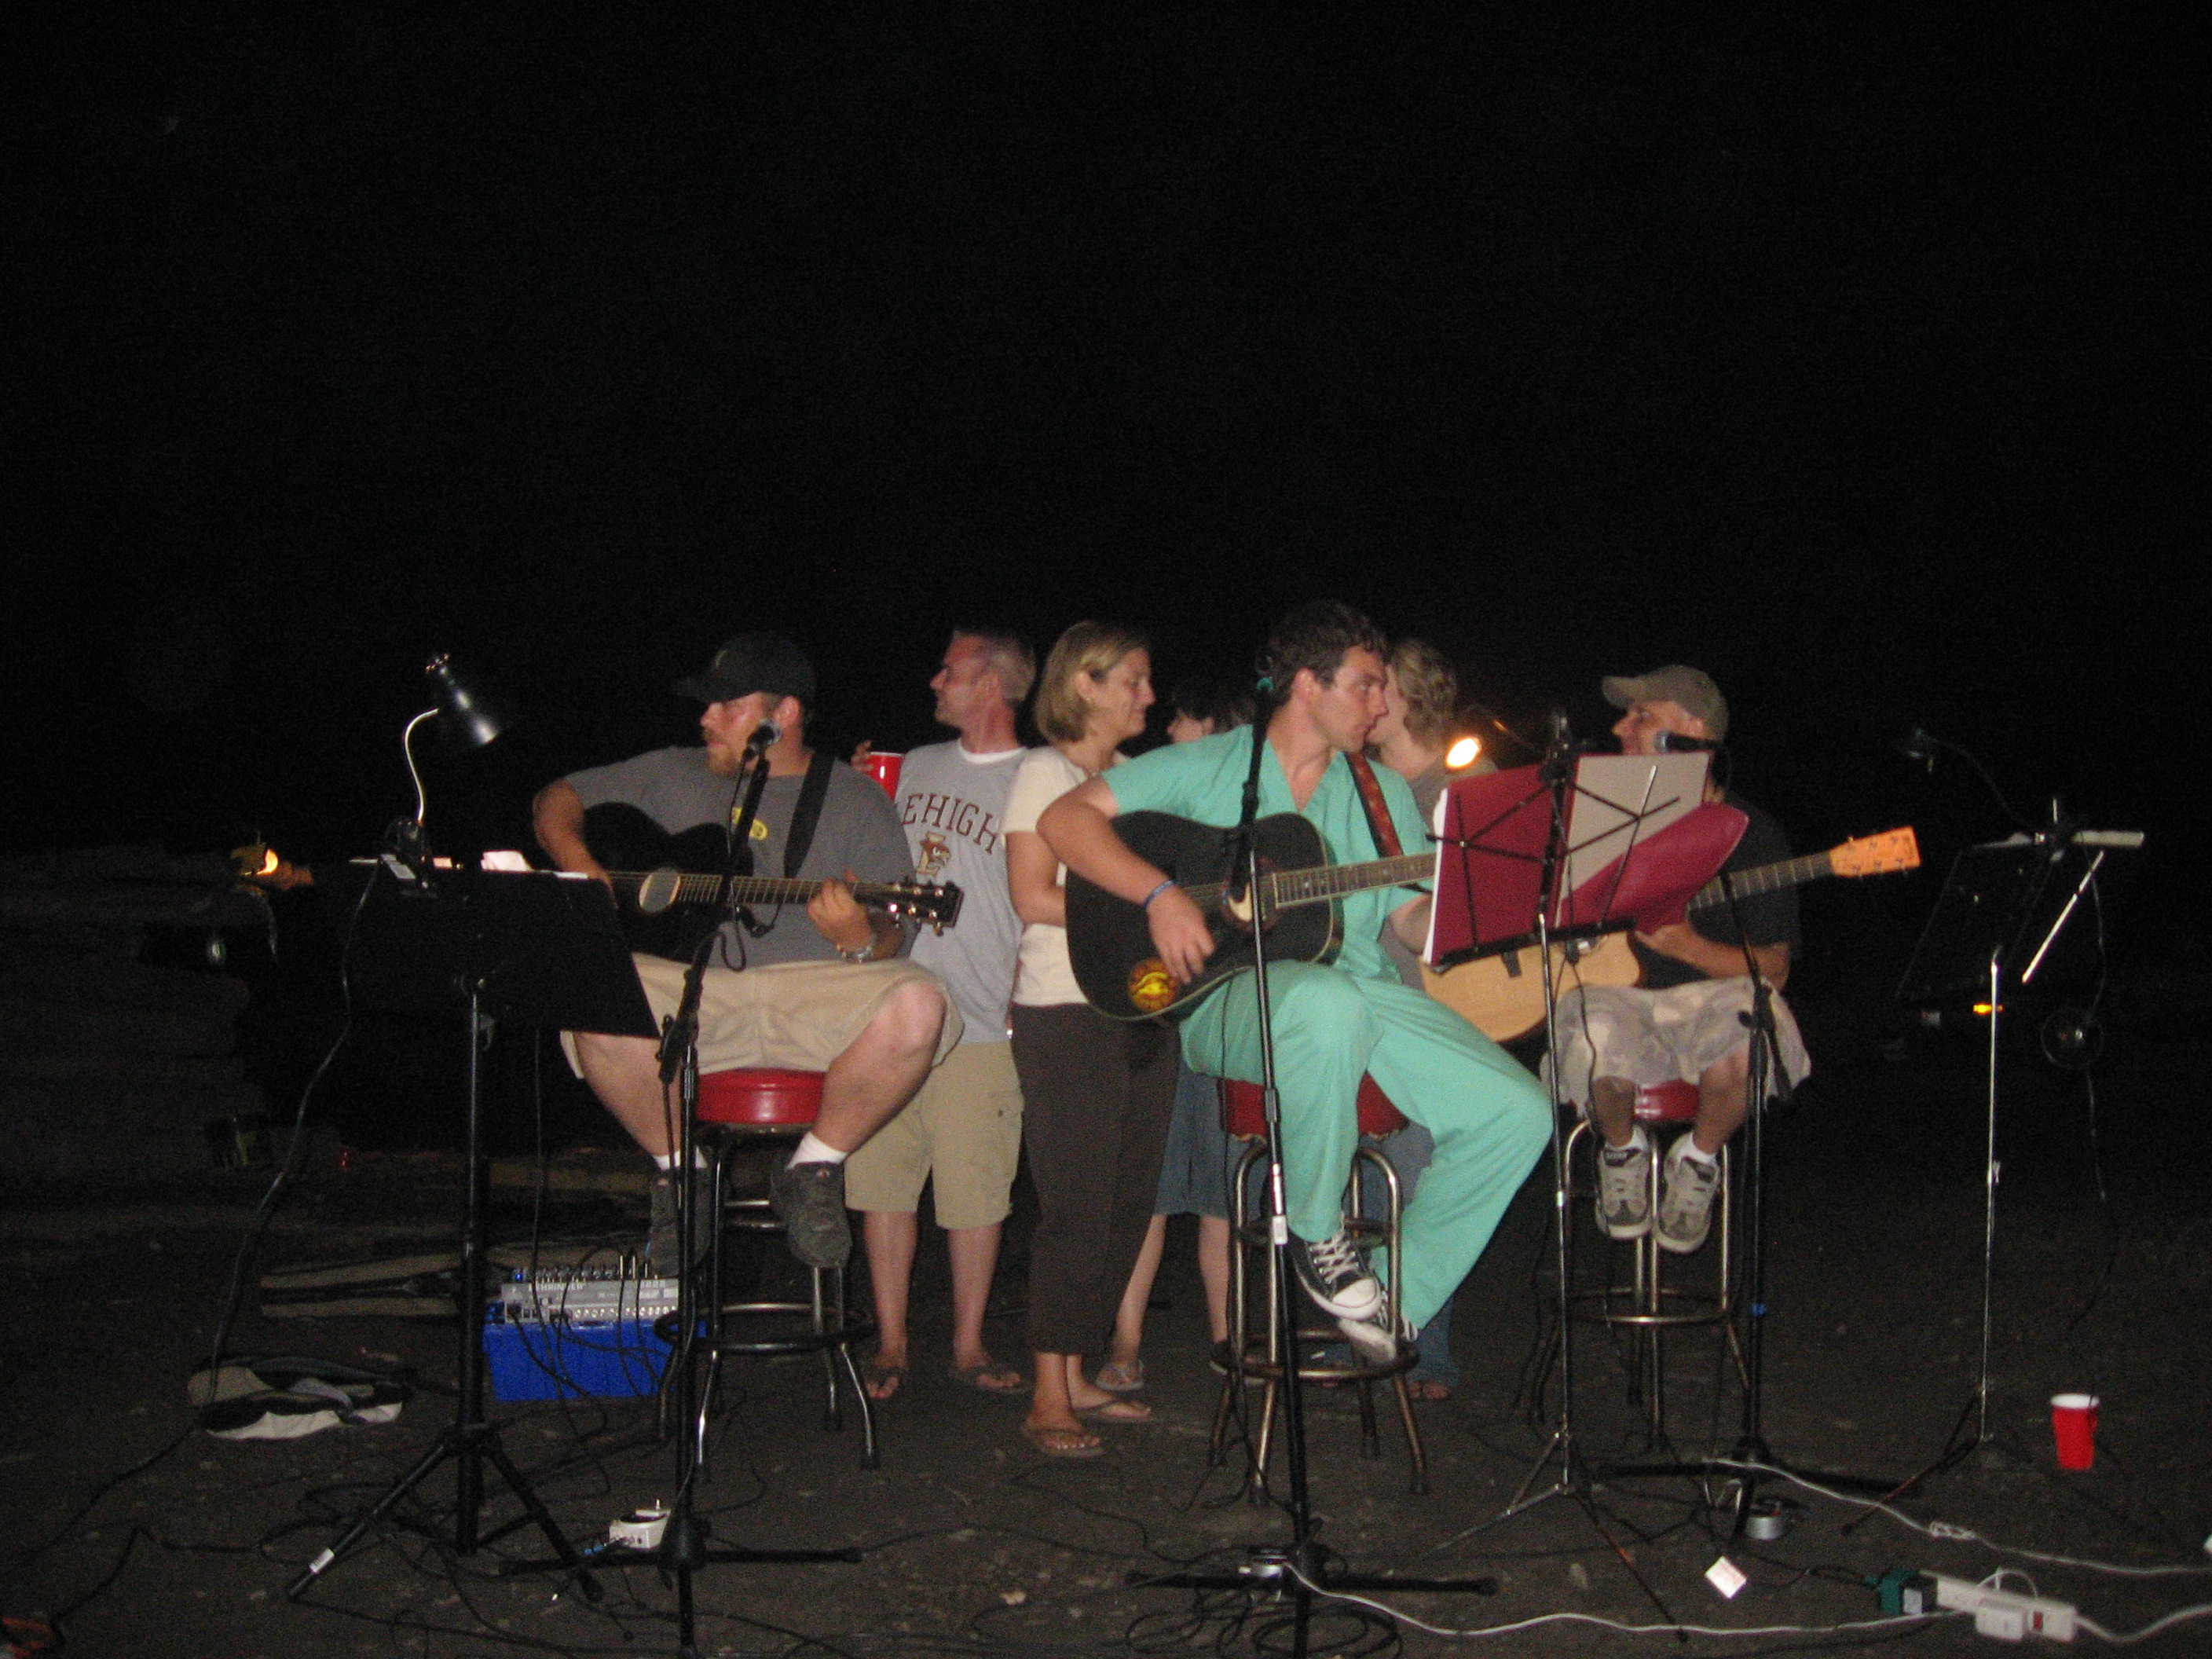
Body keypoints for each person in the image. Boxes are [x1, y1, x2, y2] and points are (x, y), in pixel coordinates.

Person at [1038, 602, 1552, 1364]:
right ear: (1308, 685)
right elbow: (1065, 820)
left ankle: (1396, 1300)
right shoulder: (1214, 765)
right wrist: (1159, 895)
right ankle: (1317, 1233)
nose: (1379, 704)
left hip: (1360, 992)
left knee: (1518, 1111)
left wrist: (1474, 904)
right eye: (1365, 685)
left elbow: (1409, 920)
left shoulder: (1379, 790)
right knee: (1325, 1005)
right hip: (1228, 998)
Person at [533, 632, 958, 1272]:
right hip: (695, 990)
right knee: (591, 987)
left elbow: (898, 933)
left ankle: (813, 1168)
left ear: (783, 714)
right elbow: (554, 800)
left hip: (813, 995)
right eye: (707, 705)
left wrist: (861, 938)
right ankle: (683, 1173)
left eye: (727, 705)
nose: (706, 718)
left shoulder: (854, 796)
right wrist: (583, 867)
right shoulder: (672, 770)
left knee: (920, 1003)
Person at [1548, 665, 1810, 1254]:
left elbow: (1775, 969)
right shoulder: (1594, 821)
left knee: (1750, 1036)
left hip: (1714, 997)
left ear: (1691, 733)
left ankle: (1698, 1159)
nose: (1620, 727)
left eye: (1641, 715)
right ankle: (1622, 1150)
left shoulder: (1752, 832)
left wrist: (1688, 946)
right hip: (1617, 994)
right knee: (1590, 1031)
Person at [845, 629, 1034, 1401]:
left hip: (982, 1018)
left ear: (988, 684)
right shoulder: (912, 767)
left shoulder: (1038, 777)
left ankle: (968, 1345)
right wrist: (854, 796)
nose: (933, 681)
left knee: (975, 1195)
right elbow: (864, 866)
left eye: (948, 671)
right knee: (883, 1185)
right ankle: (891, 1344)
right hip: (887, 1011)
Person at [1004, 622, 1178, 1458]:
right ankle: (1047, 1394)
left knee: (1126, 1202)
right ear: (1085, 683)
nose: (1149, 694)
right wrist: (1147, 905)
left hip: (1145, 1008)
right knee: (1075, 1204)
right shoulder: (1045, 772)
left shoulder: (1135, 781)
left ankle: (1075, 1373)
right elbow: (1030, 894)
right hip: (1065, 1013)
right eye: (1133, 679)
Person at [1096, 677, 1255, 1392]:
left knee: (1226, 1195)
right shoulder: (1145, 807)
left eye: (1184, 721)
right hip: (1158, 1021)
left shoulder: (1250, 820)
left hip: (1225, 1021)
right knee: (1149, 1195)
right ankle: (1125, 1344)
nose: (1168, 734)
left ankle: (1230, 1341)